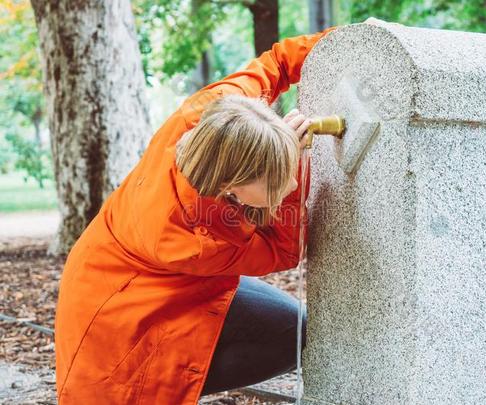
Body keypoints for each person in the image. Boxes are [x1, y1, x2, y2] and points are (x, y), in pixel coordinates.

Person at [53, 24, 339, 404]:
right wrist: (300, 166)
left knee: (297, 325)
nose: (289, 187)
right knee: (285, 337)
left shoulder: (215, 115)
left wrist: (346, 40)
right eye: (276, 184)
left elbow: (278, 61)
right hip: (121, 315)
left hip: (131, 263)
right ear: (230, 188)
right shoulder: (198, 241)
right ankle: (184, 371)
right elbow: (284, 251)